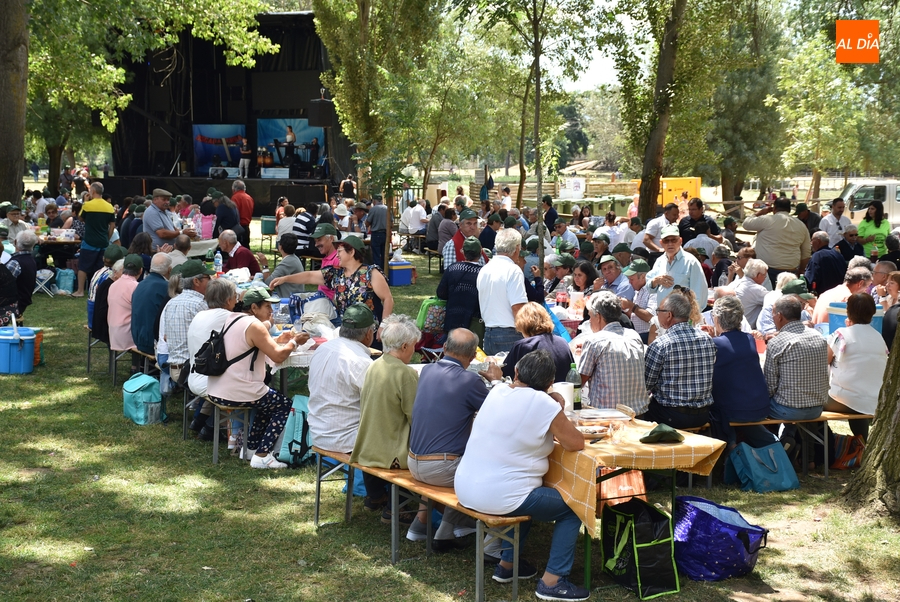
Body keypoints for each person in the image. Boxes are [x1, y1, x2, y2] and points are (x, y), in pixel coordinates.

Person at [455, 350, 589, 601]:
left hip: (465, 487)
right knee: (575, 506)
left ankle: (507, 565)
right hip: (500, 495)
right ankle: (552, 581)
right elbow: (575, 443)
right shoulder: (545, 404)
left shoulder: (497, 391)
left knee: (525, 494)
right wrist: (554, 404)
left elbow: (524, 402)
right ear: (550, 382)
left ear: (516, 373)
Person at [407, 328, 498, 549]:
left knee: (457, 458)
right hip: (441, 467)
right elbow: (499, 411)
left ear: (445, 348)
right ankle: (454, 530)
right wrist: (496, 382)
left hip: (414, 462)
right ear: (473, 356)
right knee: (492, 471)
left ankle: (422, 524)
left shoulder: (427, 370)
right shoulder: (470, 381)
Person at [206, 290, 308, 469]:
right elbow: (278, 356)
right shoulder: (254, 325)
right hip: (237, 390)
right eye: (267, 306)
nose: (271, 311)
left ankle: (250, 449)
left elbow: (250, 344)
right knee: (284, 405)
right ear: (254, 307)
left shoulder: (233, 319)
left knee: (267, 402)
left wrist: (278, 339)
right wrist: (294, 342)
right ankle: (262, 455)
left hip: (217, 388)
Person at [350, 315, 421, 524]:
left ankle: (376, 496)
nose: (414, 351)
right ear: (405, 346)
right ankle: (396, 508)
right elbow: (414, 416)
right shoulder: (405, 373)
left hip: (368, 446)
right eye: (414, 346)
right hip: (391, 452)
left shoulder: (375, 365)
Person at [270, 235, 393, 324]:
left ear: (351, 252)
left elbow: (388, 299)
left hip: (370, 332)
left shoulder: (371, 273)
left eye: (339, 251)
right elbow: (309, 276)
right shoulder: (336, 273)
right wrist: (285, 279)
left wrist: (384, 326)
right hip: (345, 330)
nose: (337, 255)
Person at [707, 296, 776, 448]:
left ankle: (731, 446)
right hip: (758, 406)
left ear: (716, 318)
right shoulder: (749, 339)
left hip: (732, 410)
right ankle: (773, 444)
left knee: (713, 411)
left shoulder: (715, 344)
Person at [307, 303, 376, 456]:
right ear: (368, 334)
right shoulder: (362, 362)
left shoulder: (323, 349)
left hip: (317, 434)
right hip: (347, 440)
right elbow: (378, 405)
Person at [642, 292, 716, 430]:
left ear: (669, 315)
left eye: (659, 311)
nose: (657, 314)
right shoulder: (708, 340)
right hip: (703, 414)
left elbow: (646, 384)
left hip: (670, 415)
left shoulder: (661, 344)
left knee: (640, 413)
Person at [765, 295, 829, 452]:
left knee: (753, 410)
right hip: (817, 408)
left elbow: (769, 386)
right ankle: (790, 440)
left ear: (779, 316)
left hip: (787, 409)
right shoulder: (819, 337)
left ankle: (777, 447)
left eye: (773, 314)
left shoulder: (777, 342)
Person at [825, 293, 887, 441]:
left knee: (809, 403)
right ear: (872, 313)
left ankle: (819, 449)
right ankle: (862, 444)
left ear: (848, 312)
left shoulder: (842, 334)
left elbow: (824, 360)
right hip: (873, 400)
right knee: (857, 401)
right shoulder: (879, 337)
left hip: (844, 398)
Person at [579, 291, 648, 414]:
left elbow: (579, 382)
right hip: (638, 415)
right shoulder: (634, 336)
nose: (589, 321)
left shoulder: (594, 341)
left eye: (590, 317)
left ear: (598, 317)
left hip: (606, 417)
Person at [477, 229, 527, 355]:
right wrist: (527, 333)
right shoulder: (513, 270)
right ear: (517, 249)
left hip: (489, 332)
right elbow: (518, 308)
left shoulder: (485, 269)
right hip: (510, 332)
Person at [741, 197, 811, 283]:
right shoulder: (801, 225)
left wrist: (760, 212)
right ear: (789, 209)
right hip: (791, 269)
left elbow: (746, 224)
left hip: (767, 270)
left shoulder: (767, 220)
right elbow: (806, 251)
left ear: (774, 208)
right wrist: (801, 269)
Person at [502, 302, 574, 383]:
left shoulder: (522, 346)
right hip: (563, 389)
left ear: (522, 324)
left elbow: (506, 375)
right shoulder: (562, 342)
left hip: (535, 390)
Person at [646, 224, 708, 307]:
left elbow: (700, 295)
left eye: (674, 240)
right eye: (666, 240)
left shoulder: (691, 262)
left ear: (680, 241)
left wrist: (692, 314)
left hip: (683, 314)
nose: (670, 243)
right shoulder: (659, 261)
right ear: (661, 243)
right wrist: (655, 281)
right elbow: (650, 289)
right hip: (662, 312)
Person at [72, 183, 116, 297]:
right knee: (100, 268)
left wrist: (85, 202)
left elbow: (80, 218)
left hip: (89, 241)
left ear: (92, 191)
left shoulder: (87, 205)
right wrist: (107, 238)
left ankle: (80, 291)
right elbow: (112, 226)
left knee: (83, 267)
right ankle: (98, 291)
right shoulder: (109, 207)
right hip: (103, 242)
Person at [437, 237, 484, 336]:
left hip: (452, 320)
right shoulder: (484, 273)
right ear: (481, 252)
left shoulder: (452, 268)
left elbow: (441, 293)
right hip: (474, 323)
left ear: (462, 251)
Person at [131, 253, 173, 356]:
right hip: (152, 342)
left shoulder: (141, 284)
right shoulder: (166, 287)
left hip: (138, 338)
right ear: (169, 269)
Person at [107, 254, 143, 371]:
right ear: (140, 270)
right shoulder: (136, 286)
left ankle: (137, 366)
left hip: (113, 330)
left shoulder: (113, 285)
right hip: (126, 334)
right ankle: (138, 367)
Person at [618, 259, 656, 343]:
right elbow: (636, 315)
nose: (629, 282)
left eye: (632, 279)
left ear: (642, 277)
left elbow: (650, 317)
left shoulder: (653, 291)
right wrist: (625, 308)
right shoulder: (637, 291)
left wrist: (631, 305)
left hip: (648, 336)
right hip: (637, 335)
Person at [5, 231, 39, 319]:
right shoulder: (31, 260)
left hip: (11, 305)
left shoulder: (15, 263)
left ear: (15, 242)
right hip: (22, 302)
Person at [728, 258, 769, 327]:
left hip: (728, 324)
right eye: (764, 275)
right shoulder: (757, 289)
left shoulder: (734, 283)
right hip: (745, 328)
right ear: (758, 275)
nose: (765, 278)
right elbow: (774, 302)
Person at [805, 231, 847, 295]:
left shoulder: (817, 256)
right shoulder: (838, 254)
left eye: (812, 240)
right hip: (839, 293)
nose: (811, 243)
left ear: (818, 241)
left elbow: (810, 278)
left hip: (823, 294)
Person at [265, 233, 305, 298]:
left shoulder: (287, 263)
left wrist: (264, 265)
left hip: (288, 300)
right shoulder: (293, 258)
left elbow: (268, 283)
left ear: (280, 247)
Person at [231, 180, 254, 247]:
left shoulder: (235, 198)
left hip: (238, 227)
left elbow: (233, 214)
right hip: (246, 227)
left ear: (234, 189)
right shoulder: (249, 198)